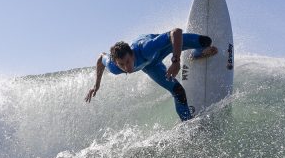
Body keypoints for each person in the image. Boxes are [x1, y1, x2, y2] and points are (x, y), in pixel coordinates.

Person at [85, 28, 217, 121]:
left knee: (206, 41)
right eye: (121, 64)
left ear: (132, 54)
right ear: (116, 63)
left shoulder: (146, 48)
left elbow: (176, 32)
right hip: (151, 66)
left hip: (161, 50)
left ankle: (197, 54)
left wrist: (176, 61)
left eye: (127, 62)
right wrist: (96, 85)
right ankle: (188, 123)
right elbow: (101, 58)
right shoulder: (114, 67)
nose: (126, 68)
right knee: (178, 91)